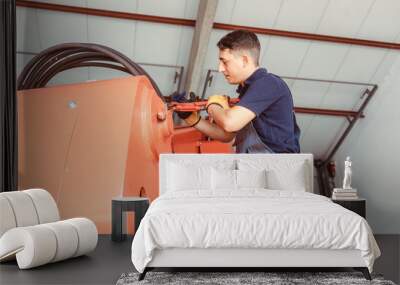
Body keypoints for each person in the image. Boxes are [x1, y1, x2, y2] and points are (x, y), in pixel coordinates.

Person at [176, 29, 300, 153]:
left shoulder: (268, 84)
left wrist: (213, 105)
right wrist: (192, 119)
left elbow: (230, 123)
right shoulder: (249, 91)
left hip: (278, 167)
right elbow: (226, 135)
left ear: (244, 60)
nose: (220, 69)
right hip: (259, 165)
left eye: (225, 62)